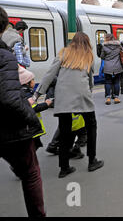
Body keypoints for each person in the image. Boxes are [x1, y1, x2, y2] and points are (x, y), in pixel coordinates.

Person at [33, 32, 103, 178]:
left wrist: (36, 95)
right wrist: (89, 92)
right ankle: (92, 161)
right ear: (87, 43)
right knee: (91, 127)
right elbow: (90, 80)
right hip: (82, 95)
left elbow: (49, 74)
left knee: (65, 131)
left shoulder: (63, 53)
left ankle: (64, 168)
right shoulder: (88, 55)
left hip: (63, 96)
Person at [0, 6, 46, 217]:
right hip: (9, 126)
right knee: (31, 174)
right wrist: (31, 116)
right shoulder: (7, 54)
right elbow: (9, 99)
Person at [19, 67, 52, 151]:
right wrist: (46, 104)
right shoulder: (27, 94)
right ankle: (26, 163)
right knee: (32, 147)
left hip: (31, 127)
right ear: (27, 83)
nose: (34, 81)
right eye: (33, 80)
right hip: (31, 127)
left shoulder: (26, 92)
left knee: (35, 145)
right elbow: (34, 108)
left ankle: (28, 162)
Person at [101, 34, 123, 104]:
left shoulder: (104, 47)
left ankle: (108, 98)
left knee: (108, 82)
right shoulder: (119, 46)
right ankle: (116, 98)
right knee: (117, 82)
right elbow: (122, 54)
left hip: (108, 67)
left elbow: (102, 57)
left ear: (107, 39)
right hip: (117, 66)